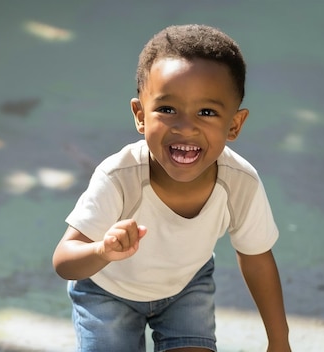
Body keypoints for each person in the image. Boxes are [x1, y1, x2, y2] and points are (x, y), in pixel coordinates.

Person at [52, 24, 291, 352]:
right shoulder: (119, 177)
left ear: (234, 124)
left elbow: (257, 259)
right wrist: (101, 251)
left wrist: (279, 341)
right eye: (167, 109)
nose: (186, 127)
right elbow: (64, 260)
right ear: (140, 115)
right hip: (107, 293)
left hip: (185, 288)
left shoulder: (239, 182)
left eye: (207, 112)